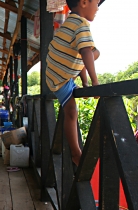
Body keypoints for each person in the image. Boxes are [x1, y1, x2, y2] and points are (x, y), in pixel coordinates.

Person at [46, 0, 100, 166]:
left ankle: (76, 153)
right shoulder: (81, 24)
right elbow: (84, 53)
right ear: (84, 2)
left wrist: (85, 82)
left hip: (57, 73)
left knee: (93, 52)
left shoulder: (70, 22)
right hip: (59, 77)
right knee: (71, 111)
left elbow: (79, 55)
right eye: (96, 3)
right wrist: (95, 83)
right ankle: (76, 153)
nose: (97, 8)